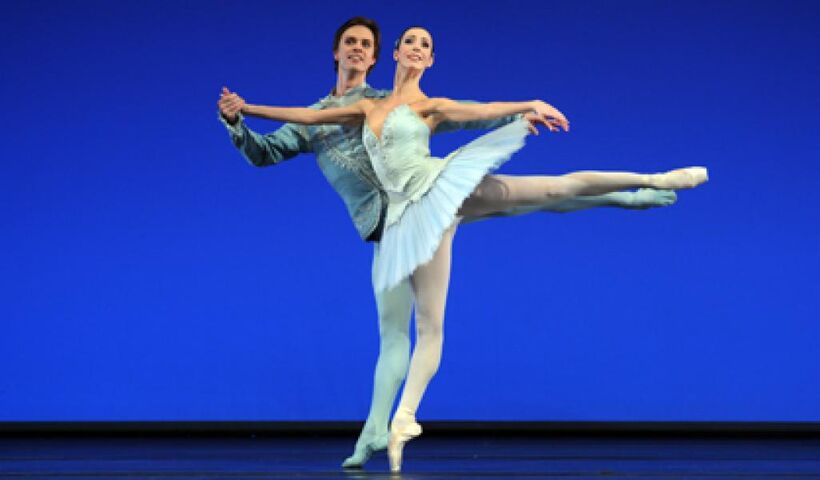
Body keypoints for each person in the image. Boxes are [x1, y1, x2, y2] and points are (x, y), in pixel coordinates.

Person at [218, 17, 681, 471]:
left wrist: (520, 111)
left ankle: (630, 194)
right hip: (391, 228)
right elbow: (266, 150)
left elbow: (457, 110)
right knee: (394, 333)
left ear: (379, 56)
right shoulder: (320, 120)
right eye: (349, 43)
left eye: (365, 44)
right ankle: (373, 432)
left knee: (534, 198)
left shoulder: (389, 101)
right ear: (336, 53)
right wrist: (239, 120)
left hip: (433, 198)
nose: (357, 49)